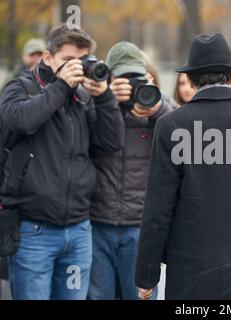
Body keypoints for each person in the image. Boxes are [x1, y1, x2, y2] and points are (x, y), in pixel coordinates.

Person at [135, 33, 231, 300]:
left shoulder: (173, 125)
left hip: (195, 274)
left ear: (192, 80)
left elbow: (158, 207)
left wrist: (146, 274)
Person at [0, 25, 125, 300]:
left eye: (82, 61)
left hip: (79, 230)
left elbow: (111, 143)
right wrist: (61, 86)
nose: (76, 68)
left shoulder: (82, 98)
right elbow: (21, 120)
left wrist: (103, 97)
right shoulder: (21, 87)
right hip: (33, 230)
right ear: (47, 57)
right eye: (68, 60)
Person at [87, 42, 176, 300]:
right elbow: (79, 135)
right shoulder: (95, 102)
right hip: (98, 221)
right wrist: (106, 101)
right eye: (122, 77)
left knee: (139, 296)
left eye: (134, 77)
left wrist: (156, 109)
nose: (129, 83)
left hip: (139, 225)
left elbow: (183, 139)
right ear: (109, 75)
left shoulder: (159, 103)